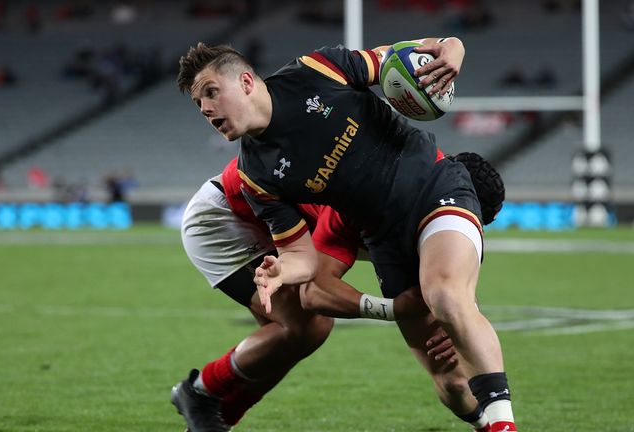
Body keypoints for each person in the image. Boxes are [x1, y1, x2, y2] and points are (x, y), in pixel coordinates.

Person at [177, 38, 518, 431]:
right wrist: (283, 271)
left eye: (211, 93)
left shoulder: (314, 71)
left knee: (443, 296)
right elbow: (303, 260)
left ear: (248, 82)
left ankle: (500, 425)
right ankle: (204, 398)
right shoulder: (256, 176)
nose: (205, 108)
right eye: (199, 104)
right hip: (230, 220)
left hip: (431, 190)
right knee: (312, 331)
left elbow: (411, 51)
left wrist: (453, 48)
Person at [172, 157, 470, 431]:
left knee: (295, 338)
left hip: (264, 216)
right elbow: (316, 292)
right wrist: (399, 310)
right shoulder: (381, 202)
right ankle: (200, 391)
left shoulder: (412, 196)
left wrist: (451, 321)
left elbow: (439, 277)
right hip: (224, 216)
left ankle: (212, 414)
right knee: (306, 326)